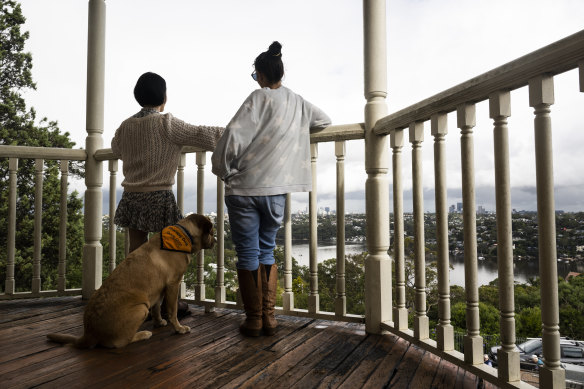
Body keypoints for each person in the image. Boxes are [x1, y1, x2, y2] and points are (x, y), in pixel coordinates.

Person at [211, 41, 331, 337]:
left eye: (256, 75)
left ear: (261, 75)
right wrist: (294, 131)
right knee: (267, 249)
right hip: (277, 190)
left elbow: (233, 136)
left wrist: (222, 169)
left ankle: (254, 320)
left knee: (248, 252)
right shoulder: (298, 102)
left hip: (244, 188)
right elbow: (325, 121)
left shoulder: (258, 98)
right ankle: (270, 318)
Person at [112, 71, 223, 316]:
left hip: (132, 195)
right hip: (159, 196)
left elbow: (116, 148)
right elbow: (204, 134)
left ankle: (136, 299)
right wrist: (238, 133)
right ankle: (167, 305)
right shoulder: (167, 123)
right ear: (164, 98)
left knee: (136, 254)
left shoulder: (125, 126)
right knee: (171, 252)